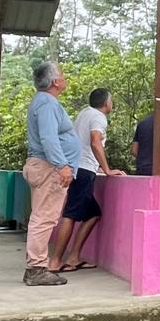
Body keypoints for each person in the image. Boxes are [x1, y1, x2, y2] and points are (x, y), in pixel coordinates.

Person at [50, 88, 125, 274]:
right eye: (111, 100)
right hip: (83, 170)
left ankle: (73, 257)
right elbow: (95, 141)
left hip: (77, 167)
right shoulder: (99, 117)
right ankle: (55, 261)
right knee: (71, 214)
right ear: (106, 103)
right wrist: (107, 169)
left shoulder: (84, 113)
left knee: (93, 213)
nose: (112, 103)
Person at [22, 61, 80, 287]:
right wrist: (62, 165)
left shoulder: (43, 101)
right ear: (56, 81)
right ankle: (36, 269)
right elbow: (48, 137)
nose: (65, 78)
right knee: (44, 217)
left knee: (43, 216)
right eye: (62, 75)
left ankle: (36, 267)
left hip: (45, 165)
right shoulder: (46, 103)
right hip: (48, 167)